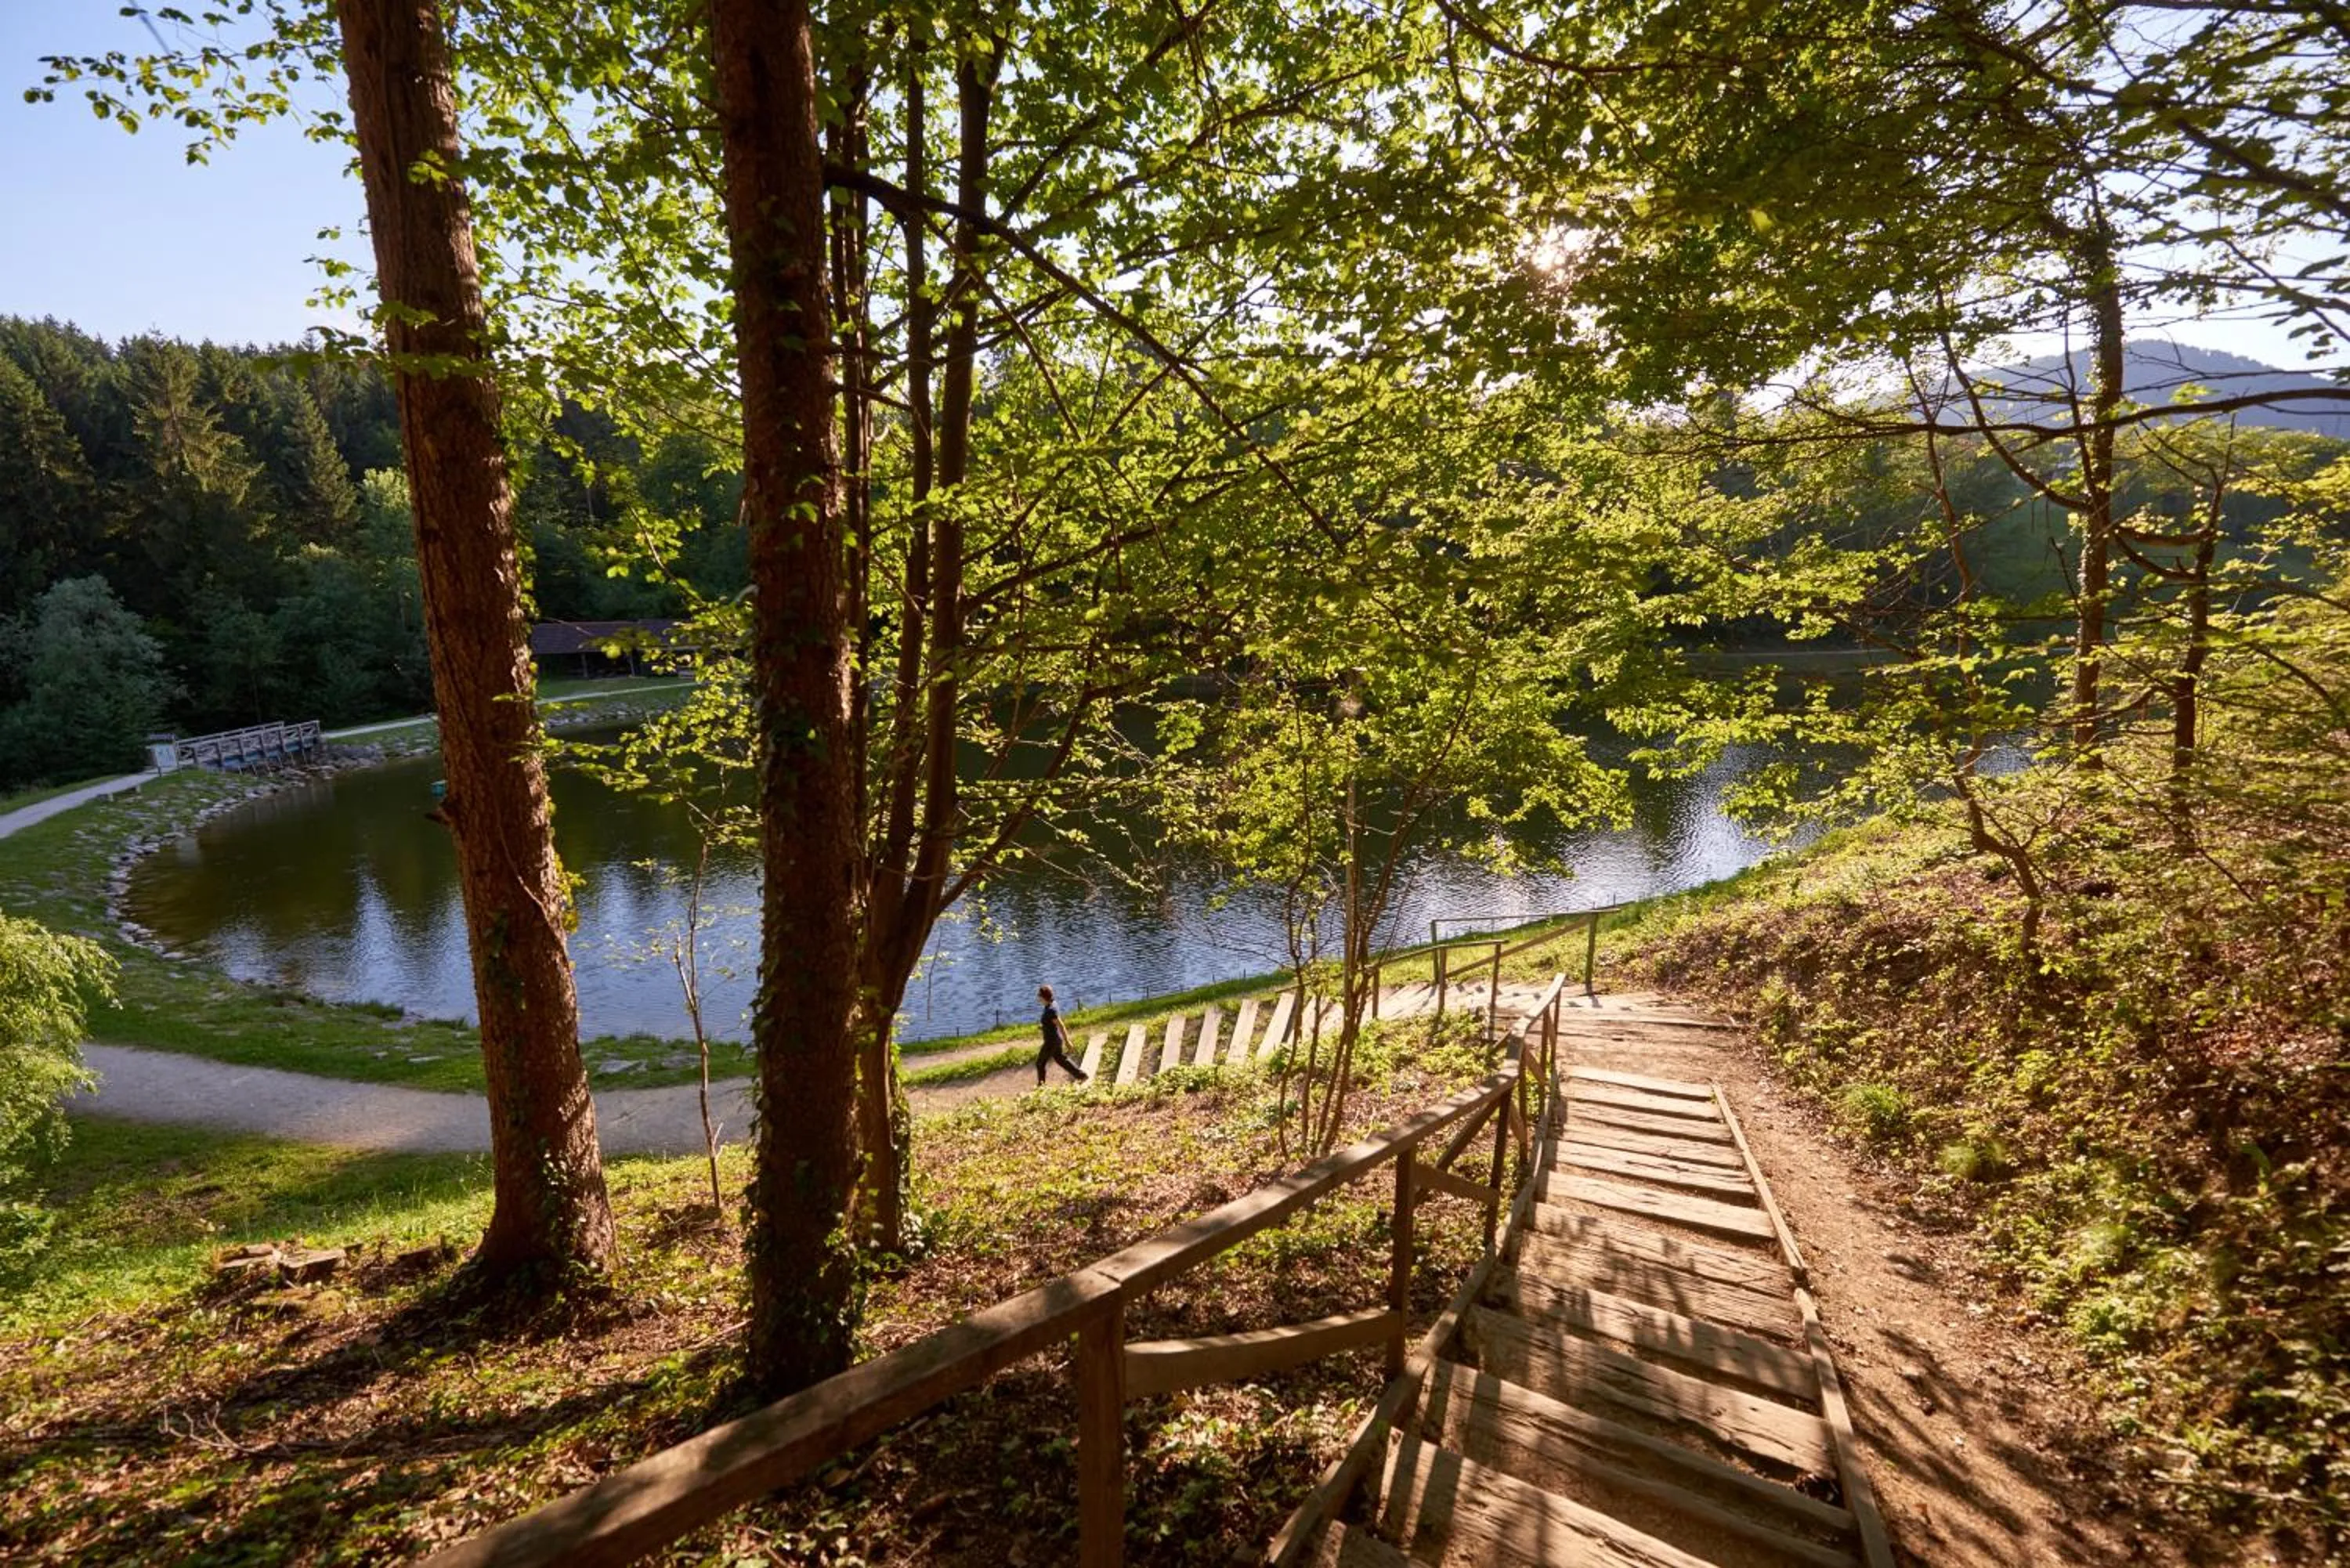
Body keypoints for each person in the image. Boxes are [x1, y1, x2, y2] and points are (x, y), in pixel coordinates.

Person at [1035, 984, 1089, 1086]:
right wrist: (1043, 1027)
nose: (1037, 997)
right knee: (1061, 1060)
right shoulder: (1051, 1004)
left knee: (1040, 1063)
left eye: (1039, 995)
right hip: (1055, 1040)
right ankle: (1081, 1076)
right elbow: (1052, 1024)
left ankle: (1041, 1087)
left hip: (1051, 1042)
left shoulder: (1051, 1010)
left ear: (1043, 997)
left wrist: (1067, 1041)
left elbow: (1061, 1025)